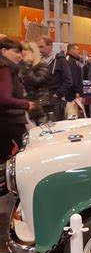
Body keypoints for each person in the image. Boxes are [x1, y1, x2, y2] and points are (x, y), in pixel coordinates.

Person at [0, 38, 35, 195]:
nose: (19, 55)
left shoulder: (9, 68)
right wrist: (26, 104)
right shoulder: (5, 68)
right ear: (3, 51)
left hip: (7, 119)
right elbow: (4, 98)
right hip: (10, 119)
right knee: (28, 152)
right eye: (15, 52)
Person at [37, 36, 73, 121]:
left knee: (54, 127)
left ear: (50, 46)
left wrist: (57, 95)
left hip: (55, 101)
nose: (39, 49)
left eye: (42, 47)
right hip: (41, 100)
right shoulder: (38, 61)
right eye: (38, 47)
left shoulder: (60, 60)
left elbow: (68, 81)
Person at [19, 41, 50, 124]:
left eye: (24, 50)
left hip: (41, 106)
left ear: (33, 52)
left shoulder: (42, 65)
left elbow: (35, 81)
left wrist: (27, 64)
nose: (22, 52)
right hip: (27, 105)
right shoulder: (21, 66)